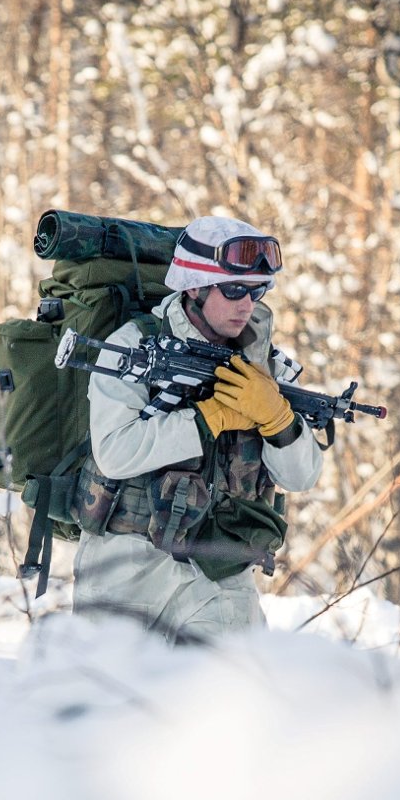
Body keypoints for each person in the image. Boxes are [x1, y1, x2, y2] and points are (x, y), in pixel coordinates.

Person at [70, 215, 323, 640]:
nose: (247, 304)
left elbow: (301, 476)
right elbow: (115, 452)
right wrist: (209, 419)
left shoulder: (267, 367)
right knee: (109, 701)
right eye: (234, 290)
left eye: (257, 290)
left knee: (224, 698)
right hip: (128, 565)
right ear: (194, 286)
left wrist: (278, 420)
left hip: (221, 571)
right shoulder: (133, 346)